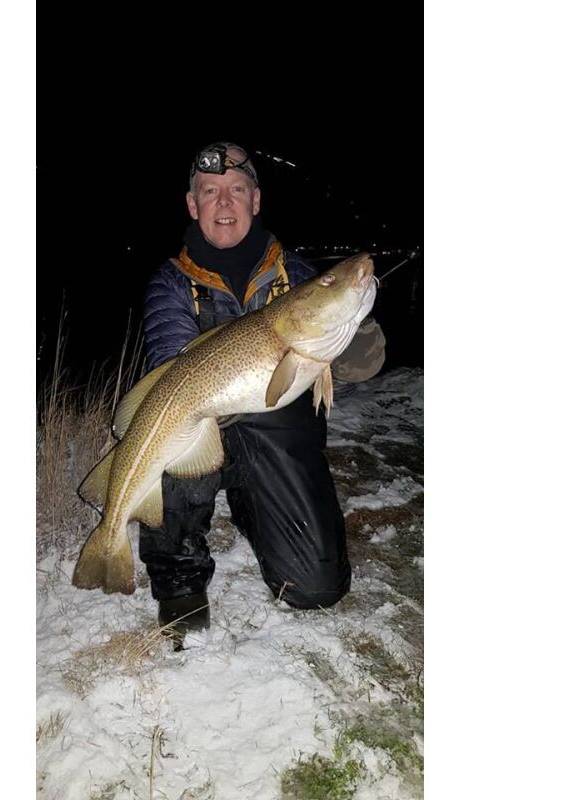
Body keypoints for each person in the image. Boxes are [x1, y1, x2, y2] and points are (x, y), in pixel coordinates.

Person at [138, 141, 384, 647]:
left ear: (255, 200)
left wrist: (354, 332)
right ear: (193, 205)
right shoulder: (170, 285)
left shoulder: (297, 276)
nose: (224, 202)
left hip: (277, 444)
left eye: (236, 189)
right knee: (173, 434)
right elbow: (169, 369)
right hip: (207, 432)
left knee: (316, 589)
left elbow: (358, 366)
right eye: (211, 192)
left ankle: (254, 508)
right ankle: (180, 582)